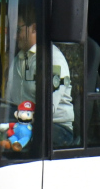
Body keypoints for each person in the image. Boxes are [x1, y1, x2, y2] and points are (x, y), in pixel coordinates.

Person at [11, 17, 76, 147]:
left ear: (34, 28)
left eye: (18, 30)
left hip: (56, 128)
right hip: (26, 123)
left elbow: (47, 111)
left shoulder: (52, 59)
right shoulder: (18, 60)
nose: (14, 36)